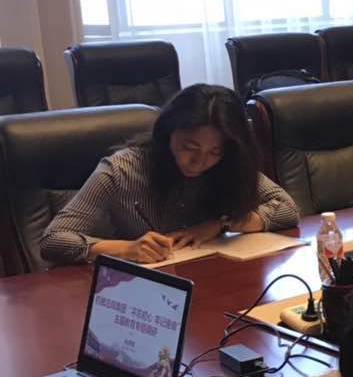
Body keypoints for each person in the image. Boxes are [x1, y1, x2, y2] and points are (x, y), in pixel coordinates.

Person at [40, 83, 299, 266]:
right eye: (190, 147)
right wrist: (125, 249)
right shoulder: (123, 169)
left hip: (209, 277)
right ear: (168, 132)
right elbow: (54, 240)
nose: (199, 162)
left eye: (214, 152)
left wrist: (220, 225)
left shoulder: (228, 164)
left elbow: (287, 209)